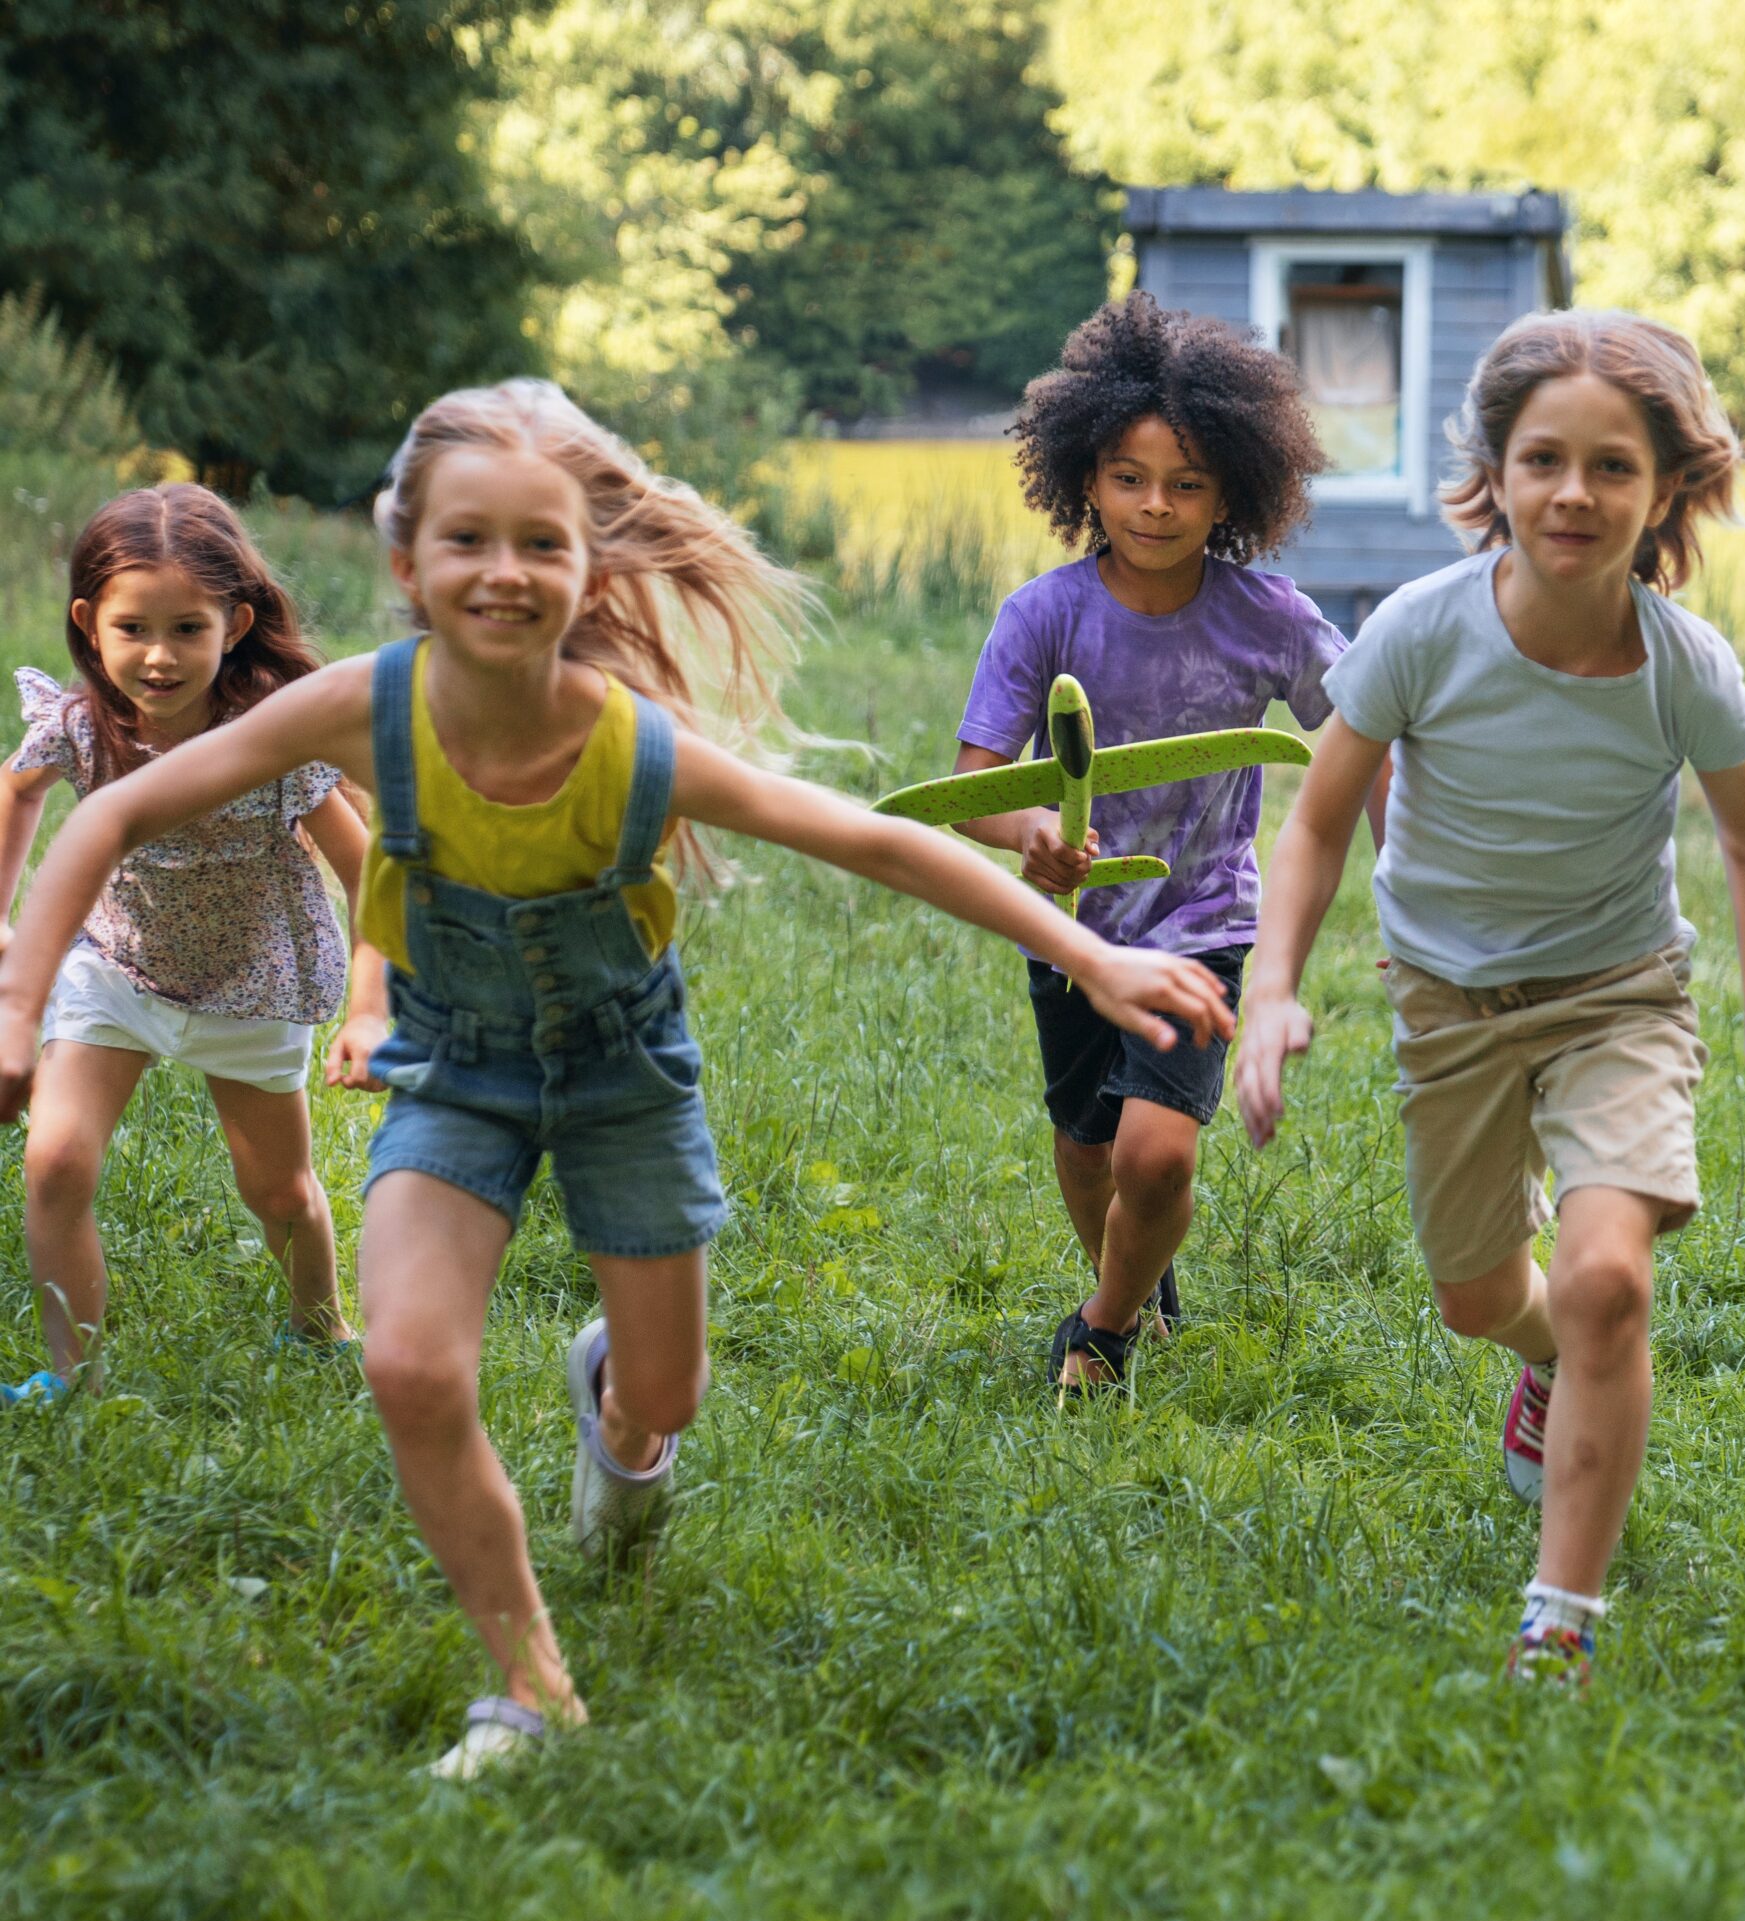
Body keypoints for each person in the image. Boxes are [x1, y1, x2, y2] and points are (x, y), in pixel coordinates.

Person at [0, 380, 1234, 1776]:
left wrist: (1096, 955)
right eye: (468, 540)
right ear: (407, 563)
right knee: (408, 1363)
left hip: (620, 1077)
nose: (503, 571)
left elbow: (874, 842)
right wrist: (18, 1002)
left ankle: (617, 1404)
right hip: (456, 1071)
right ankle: (530, 1685)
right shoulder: (360, 707)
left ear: (585, 572)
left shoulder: (625, 741)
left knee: (669, 1394)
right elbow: (111, 811)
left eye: (541, 543)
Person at [1232, 310, 1745, 1687]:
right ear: (1492, 473)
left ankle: (1560, 1616)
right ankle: (1547, 1356)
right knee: (1479, 1291)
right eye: (1543, 459)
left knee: (1610, 1278)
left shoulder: (1684, 665)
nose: (1575, 493)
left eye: (1613, 467)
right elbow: (1316, 823)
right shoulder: (1422, 633)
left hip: (1621, 996)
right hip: (1449, 1004)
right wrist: (1271, 990)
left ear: (1666, 488)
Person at [948, 292, 1364, 1399]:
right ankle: (1133, 1288)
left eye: (1186, 483)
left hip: (1204, 927)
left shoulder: (1270, 617)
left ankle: (1101, 1333)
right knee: (1087, 1148)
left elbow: (1368, 736)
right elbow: (971, 795)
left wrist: (1414, 876)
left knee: (1156, 1151)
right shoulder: (1039, 617)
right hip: (1072, 931)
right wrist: (1030, 831)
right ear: (1084, 475)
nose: (1156, 505)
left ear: (1233, 488)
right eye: (1129, 477)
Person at [0, 485, 370, 1404]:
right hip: (116, 967)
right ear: (90, 623)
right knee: (54, 1158)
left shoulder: (273, 738)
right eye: (132, 628)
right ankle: (70, 1374)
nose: (158, 657)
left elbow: (366, 869)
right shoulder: (84, 725)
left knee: (280, 1193)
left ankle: (320, 1328)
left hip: (254, 983)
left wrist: (379, 993)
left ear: (236, 623)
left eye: (187, 629)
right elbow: (17, 793)